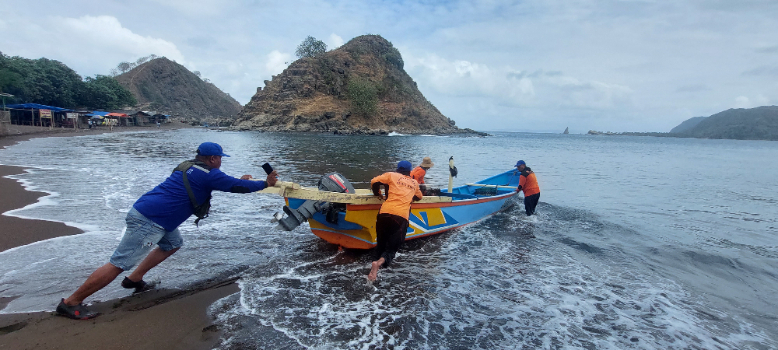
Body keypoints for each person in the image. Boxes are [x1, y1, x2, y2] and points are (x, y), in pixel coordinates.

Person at [56, 142, 278, 320]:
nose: (221, 161)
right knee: (119, 263)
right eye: (220, 158)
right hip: (151, 221)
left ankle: (134, 279)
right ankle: (71, 303)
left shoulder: (189, 166)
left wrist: (240, 181)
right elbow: (231, 186)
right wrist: (266, 183)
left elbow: (225, 183)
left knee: (172, 244)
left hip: (147, 211)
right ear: (212, 159)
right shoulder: (210, 174)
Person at [367, 160, 423, 281]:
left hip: (384, 213)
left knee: (380, 244)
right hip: (400, 217)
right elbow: (419, 197)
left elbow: (374, 182)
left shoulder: (391, 175)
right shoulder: (414, 182)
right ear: (409, 171)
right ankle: (379, 263)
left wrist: (378, 193)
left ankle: (373, 266)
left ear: (397, 169)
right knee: (392, 249)